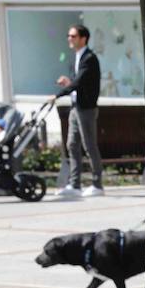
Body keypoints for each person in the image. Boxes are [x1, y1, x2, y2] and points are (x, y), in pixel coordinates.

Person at [54, 24, 103, 199]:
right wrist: (68, 83)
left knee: (89, 145)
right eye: (69, 35)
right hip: (76, 106)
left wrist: (58, 94)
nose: (69, 39)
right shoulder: (77, 57)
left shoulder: (89, 58)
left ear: (83, 38)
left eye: (73, 36)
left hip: (86, 108)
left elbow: (81, 82)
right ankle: (75, 184)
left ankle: (97, 184)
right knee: (72, 144)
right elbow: (78, 83)